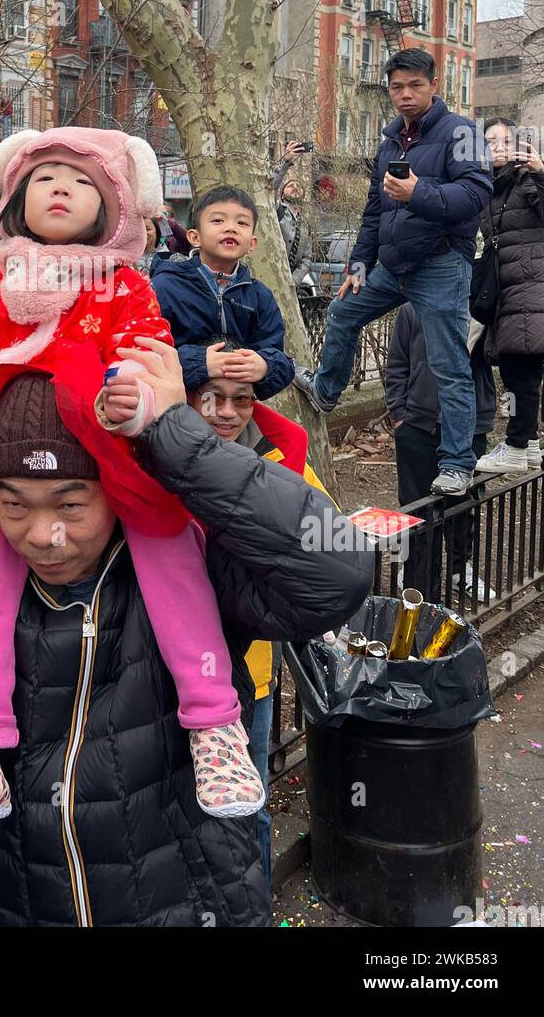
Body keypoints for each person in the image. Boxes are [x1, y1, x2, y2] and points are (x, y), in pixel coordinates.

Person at [0, 340, 373, 926]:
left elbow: (335, 571)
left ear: (115, 490)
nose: (42, 535)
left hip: (187, 897)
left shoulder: (196, 571)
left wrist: (175, 440)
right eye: (15, 505)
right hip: (17, 897)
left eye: (69, 505)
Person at [0, 128, 265, 827]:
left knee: (170, 554)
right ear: (15, 199)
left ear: (114, 207)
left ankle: (214, 724)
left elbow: (146, 361)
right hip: (1, 466)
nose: (60, 188)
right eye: (43, 177)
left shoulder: (126, 286)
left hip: (110, 462)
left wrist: (132, 397)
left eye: (81, 180)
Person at [293, 48, 492, 497]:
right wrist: (359, 264)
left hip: (441, 264)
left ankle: (458, 463)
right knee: (342, 312)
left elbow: (477, 195)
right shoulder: (390, 142)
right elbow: (373, 210)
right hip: (392, 266)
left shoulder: (462, 132)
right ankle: (326, 391)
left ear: (433, 85)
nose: (404, 95)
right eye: (397, 87)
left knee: (448, 366)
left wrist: (419, 191)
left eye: (414, 86)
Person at [185, 355, 332, 892]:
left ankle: (250, 901)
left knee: (247, 803)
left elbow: (326, 539)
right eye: (212, 398)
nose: (227, 412)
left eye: (241, 399)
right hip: (172, 672)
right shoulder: (159, 459)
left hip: (253, 672)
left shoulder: (281, 459)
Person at [385, 303, 495, 599]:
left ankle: (460, 571)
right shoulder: (411, 309)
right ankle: (417, 580)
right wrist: (400, 413)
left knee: (462, 506)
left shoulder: (480, 307)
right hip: (418, 426)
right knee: (418, 508)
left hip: (469, 426)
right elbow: (397, 361)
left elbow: (497, 356)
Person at [151, 185, 295, 398]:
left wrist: (264, 366)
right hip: (178, 401)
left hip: (236, 402)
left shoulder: (259, 296)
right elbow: (148, 355)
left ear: (252, 243)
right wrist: (200, 363)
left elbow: (279, 356)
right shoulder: (165, 287)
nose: (231, 228)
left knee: (291, 433)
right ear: (194, 237)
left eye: (242, 223)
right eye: (218, 221)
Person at [472, 119, 544, 475]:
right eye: (490, 141)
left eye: (505, 141)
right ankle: (529, 442)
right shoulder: (489, 186)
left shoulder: (526, 180)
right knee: (523, 373)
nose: (498, 147)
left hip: (530, 288)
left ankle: (516, 446)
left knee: (519, 372)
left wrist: (541, 173)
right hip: (510, 291)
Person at [272, 141, 314, 287]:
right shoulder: (276, 210)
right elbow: (269, 187)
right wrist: (286, 161)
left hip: (290, 283)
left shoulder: (305, 224)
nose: (295, 187)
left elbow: (307, 258)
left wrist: (294, 280)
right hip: (271, 275)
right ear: (282, 194)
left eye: (298, 186)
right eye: (290, 186)